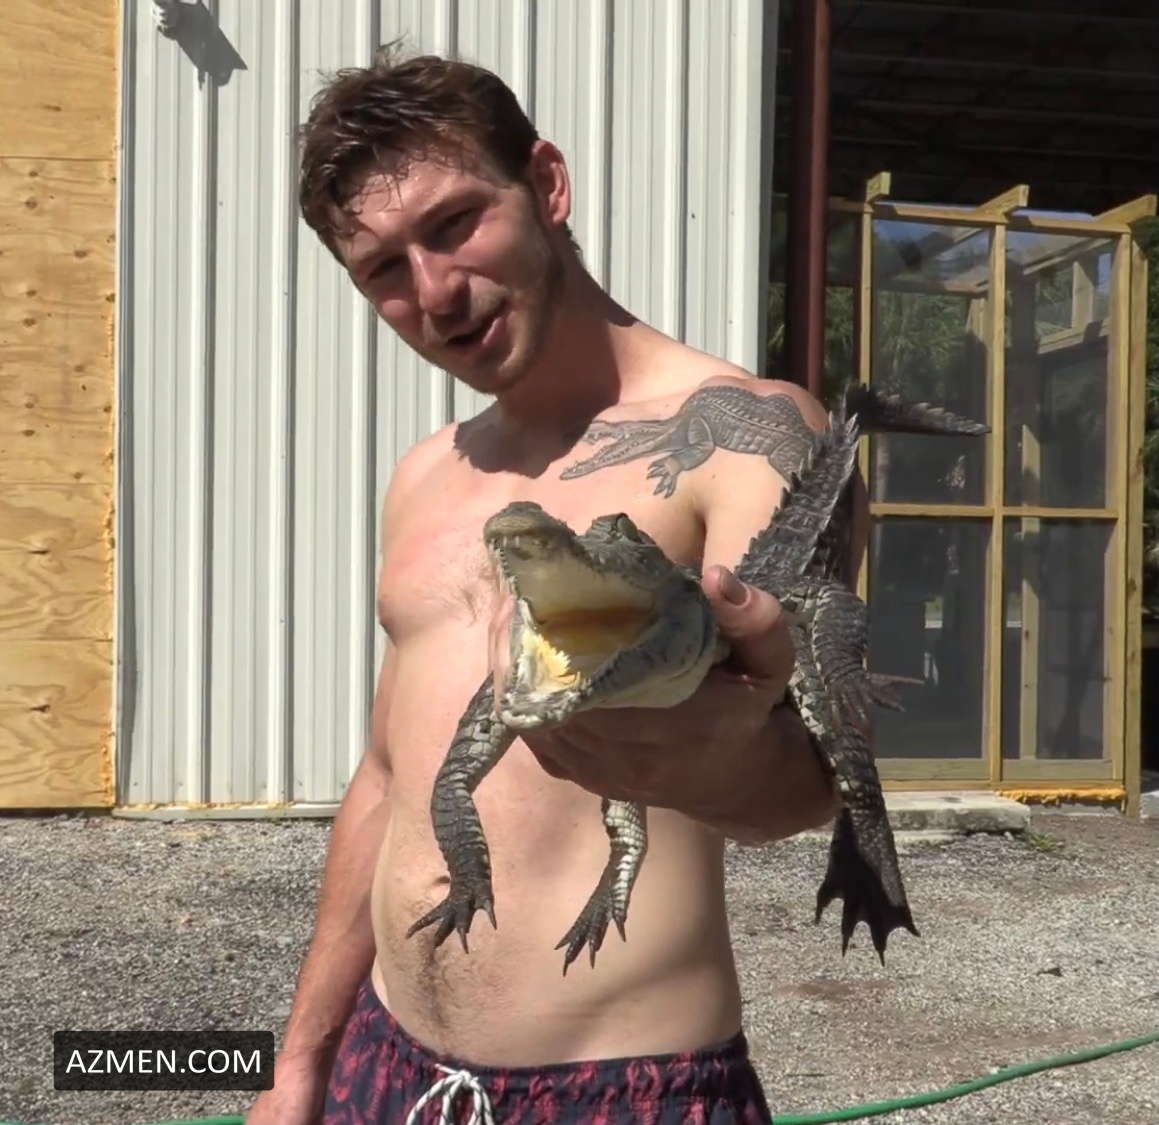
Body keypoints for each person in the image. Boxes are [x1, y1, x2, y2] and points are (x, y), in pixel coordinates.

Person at [245, 43, 866, 1125]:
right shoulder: (428, 475)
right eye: (382, 269)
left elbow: (814, 783)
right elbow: (388, 781)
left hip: (621, 1092)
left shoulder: (748, 438)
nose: (435, 292)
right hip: (383, 1069)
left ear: (546, 184)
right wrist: (302, 1062)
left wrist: (710, 762)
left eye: (454, 223)